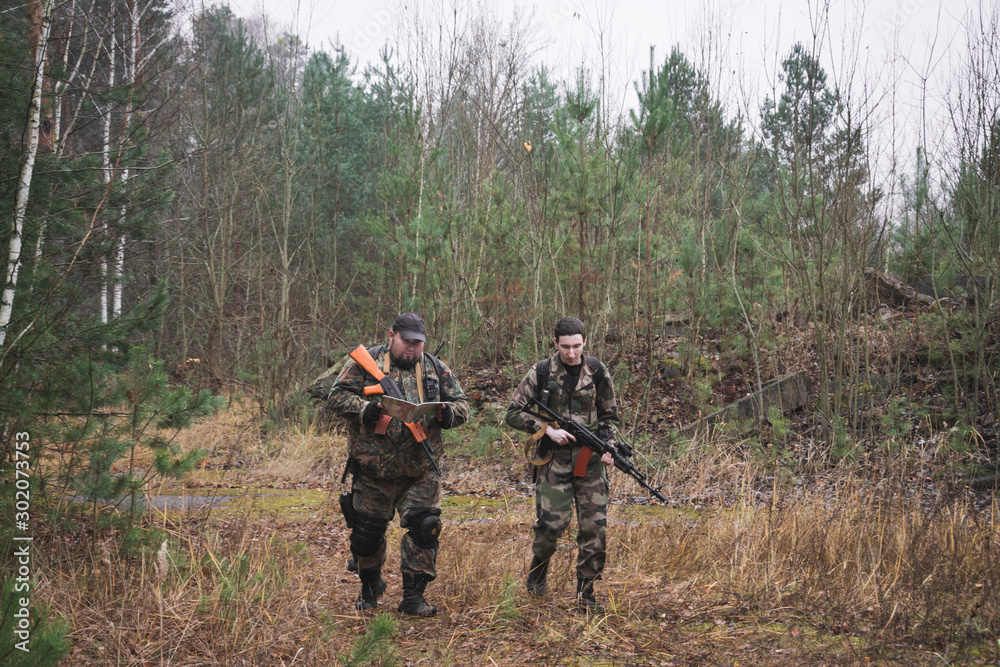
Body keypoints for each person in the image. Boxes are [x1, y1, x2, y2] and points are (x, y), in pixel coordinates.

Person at [326, 313, 469, 616]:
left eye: (418, 343)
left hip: (420, 471)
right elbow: (335, 396)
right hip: (372, 469)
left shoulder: (435, 368)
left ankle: (413, 598)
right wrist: (363, 409)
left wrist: (448, 415)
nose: (413, 349)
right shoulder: (366, 363)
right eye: (407, 342)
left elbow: (462, 404)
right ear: (392, 336)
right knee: (366, 536)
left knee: (425, 529)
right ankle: (369, 587)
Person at [505, 316, 619, 613]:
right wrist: (546, 430)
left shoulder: (597, 371)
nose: (571, 353)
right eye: (565, 347)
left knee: (594, 528)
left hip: (591, 462)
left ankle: (586, 593)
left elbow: (610, 417)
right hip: (553, 461)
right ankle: (538, 573)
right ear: (555, 343)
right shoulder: (541, 371)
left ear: (585, 342)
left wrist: (609, 446)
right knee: (551, 525)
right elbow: (513, 412)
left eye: (577, 346)